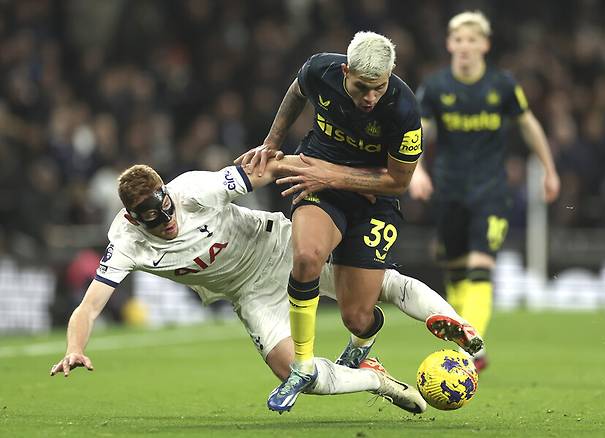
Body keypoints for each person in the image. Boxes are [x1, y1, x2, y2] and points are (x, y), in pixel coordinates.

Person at [49, 158, 483, 415]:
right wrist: (74, 347)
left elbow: (265, 168)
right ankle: (376, 381)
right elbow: (88, 307)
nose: (168, 223)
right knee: (298, 373)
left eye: (167, 209)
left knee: (375, 286)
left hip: (277, 247)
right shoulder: (124, 243)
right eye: (154, 220)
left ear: (167, 193)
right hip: (248, 293)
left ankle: (456, 323)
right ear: (130, 217)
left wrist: (328, 171)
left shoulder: (196, 189)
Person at [236, 31, 425, 411]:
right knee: (306, 257)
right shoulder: (320, 69)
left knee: (357, 317)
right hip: (318, 181)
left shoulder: (404, 109)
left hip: (372, 198)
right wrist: (273, 139)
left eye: (378, 88)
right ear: (344, 71)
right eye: (361, 87)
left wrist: (332, 175)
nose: (370, 97)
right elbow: (296, 90)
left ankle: (362, 345)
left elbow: (399, 181)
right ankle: (303, 366)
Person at [410, 11, 561, 370]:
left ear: (484, 45)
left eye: (472, 40)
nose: (465, 47)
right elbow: (417, 133)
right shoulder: (435, 87)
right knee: (457, 272)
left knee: (480, 267)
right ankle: (469, 340)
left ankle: (466, 351)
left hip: (491, 190)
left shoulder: (502, 86)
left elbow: (529, 125)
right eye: (458, 40)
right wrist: (416, 171)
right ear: (449, 44)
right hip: (448, 190)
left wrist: (549, 169)